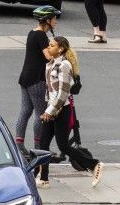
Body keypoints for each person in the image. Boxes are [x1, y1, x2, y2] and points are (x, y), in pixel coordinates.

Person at [39, 36, 103, 188]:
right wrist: (47, 108)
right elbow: (50, 91)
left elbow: (63, 93)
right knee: (43, 144)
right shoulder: (50, 65)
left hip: (63, 110)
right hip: (51, 108)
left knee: (63, 146)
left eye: (52, 45)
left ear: (60, 49)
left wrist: (51, 111)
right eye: (49, 45)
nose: (49, 47)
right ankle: (43, 179)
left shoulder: (64, 65)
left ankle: (94, 165)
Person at [15, 6, 59, 157]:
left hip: (25, 78)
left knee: (25, 111)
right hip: (36, 80)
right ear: (47, 20)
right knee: (41, 113)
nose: (56, 22)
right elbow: (48, 56)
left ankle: (19, 146)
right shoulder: (41, 35)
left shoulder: (32, 33)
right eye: (54, 19)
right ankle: (38, 149)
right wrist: (62, 58)